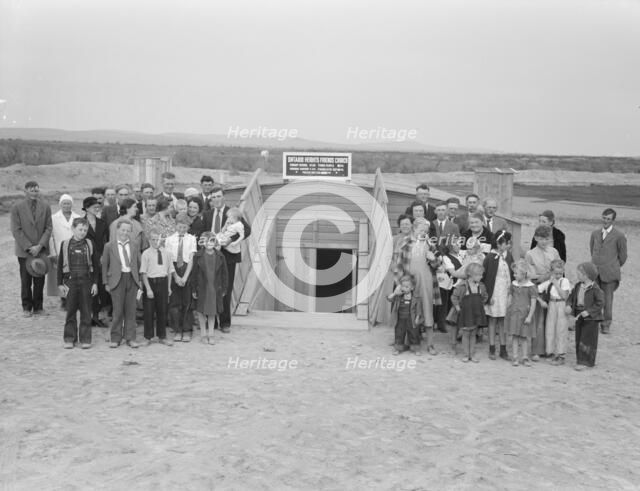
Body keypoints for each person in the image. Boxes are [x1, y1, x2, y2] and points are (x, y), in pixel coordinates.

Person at [202, 186, 251, 332]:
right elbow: (203, 232)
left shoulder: (233, 213)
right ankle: (212, 321)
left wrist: (230, 239)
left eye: (218, 196)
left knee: (226, 289)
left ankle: (224, 322)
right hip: (210, 256)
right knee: (210, 288)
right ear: (210, 199)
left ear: (223, 197)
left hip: (228, 257)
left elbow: (247, 230)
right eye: (213, 197)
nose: (216, 199)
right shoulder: (207, 214)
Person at [396, 217, 441, 355]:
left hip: (426, 281)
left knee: (427, 310)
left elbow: (438, 265)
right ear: (414, 229)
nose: (424, 233)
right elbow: (399, 266)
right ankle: (406, 343)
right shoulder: (405, 243)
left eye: (426, 231)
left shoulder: (429, 244)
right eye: (421, 230)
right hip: (409, 283)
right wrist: (399, 284)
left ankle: (430, 344)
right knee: (408, 311)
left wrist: (434, 259)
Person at [10, 181, 53, 317]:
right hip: (24, 251)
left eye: (36, 190)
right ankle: (27, 307)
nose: (34, 192)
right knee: (26, 279)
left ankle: (38, 307)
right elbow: (16, 230)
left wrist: (40, 245)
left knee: (40, 279)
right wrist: (29, 247)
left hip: (41, 249)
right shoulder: (17, 207)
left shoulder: (45, 206)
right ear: (25, 191)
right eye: (31, 190)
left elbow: (49, 227)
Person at [57, 217, 99, 349]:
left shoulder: (89, 244)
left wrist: (95, 283)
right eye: (80, 229)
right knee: (70, 310)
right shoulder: (65, 244)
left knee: (86, 311)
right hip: (70, 281)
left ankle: (85, 339)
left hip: (86, 280)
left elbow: (96, 266)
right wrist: (60, 284)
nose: (82, 232)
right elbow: (59, 266)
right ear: (73, 229)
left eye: (85, 230)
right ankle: (70, 338)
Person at [102, 219, 142, 348]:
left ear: (131, 232)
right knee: (117, 311)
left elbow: (139, 263)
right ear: (117, 230)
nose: (125, 232)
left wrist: (139, 280)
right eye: (123, 230)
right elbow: (105, 265)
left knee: (131, 310)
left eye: (128, 230)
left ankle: (130, 337)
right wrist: (105, 282)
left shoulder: (135, 244)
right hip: (116, 280)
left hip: (131, 278)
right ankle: (116, 337)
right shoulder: (109, 246)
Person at [589, 208, 627, 335]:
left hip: (610, 273)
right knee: (594, 297)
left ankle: (606, 325)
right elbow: (592, 250)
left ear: (613, 220)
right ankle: (594, 321)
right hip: (595, 271)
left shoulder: (619, 236)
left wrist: (612, 266)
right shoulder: (595, 233)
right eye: (604, 218)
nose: (605, 221)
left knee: (607, 299)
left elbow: (623, 256)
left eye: (608, 219)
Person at [525, 225, 560, 360]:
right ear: (536, 238)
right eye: (541, 239)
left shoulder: (554, 252)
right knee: (538, 319)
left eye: (546, 239)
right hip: (538, 287)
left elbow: (558, 268)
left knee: (551, 318)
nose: (544, 242)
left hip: (553, 286)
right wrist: (544, 276)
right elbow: (531, 274)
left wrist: (553, 276)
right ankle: (536, 350)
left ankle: (550, 348)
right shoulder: (530, 254)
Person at [191, 232, 228, 345]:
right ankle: (203, 334)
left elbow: (224, 274)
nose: (209, 243)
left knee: (212, 312)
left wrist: (224, 288)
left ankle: (211, 334)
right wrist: (193, 289)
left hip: (215, 288)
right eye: (206, 241)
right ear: (203, 243)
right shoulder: (198, 256)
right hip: (202, 288)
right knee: (201, 312)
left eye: (211, 240)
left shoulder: (220, 256)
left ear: (215, 242)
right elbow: (194, 273)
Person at [566, 262, 604, 370]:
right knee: (579, 337)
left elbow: (600, 303)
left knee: (588, 339)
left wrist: (589, 312)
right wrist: (569, 305)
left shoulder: (595, 288)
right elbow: (571, 297)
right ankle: (580, 360)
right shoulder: (578, 286)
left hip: (591, 318)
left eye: (579, 273)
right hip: (579, 314)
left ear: (586, 275)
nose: (577, 275)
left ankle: (586, 362)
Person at [482, 230, 514, 360]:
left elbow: (512, 273)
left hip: (505, 292)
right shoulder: (490, 257)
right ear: (499, 244)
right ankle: (491, 348)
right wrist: (487, 296)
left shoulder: (509, 256)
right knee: (493, 320)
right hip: (494, 292)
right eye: (507, 243)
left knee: (503, 321)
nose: (509, 245)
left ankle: (503, 348)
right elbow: (485, 278)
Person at [166, 213, 197, 342]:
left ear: (188, 227)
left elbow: (191, 259)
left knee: (187, 302)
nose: (182, 229)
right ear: (176, 225)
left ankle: (187, 330)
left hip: (186, 270)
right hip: (173, 270)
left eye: (184, 227)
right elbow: (169, 260)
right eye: (180, 226)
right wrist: (176, 276)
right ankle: (177, 329)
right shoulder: (169, 239)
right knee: (175, 303)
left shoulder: (191, 239)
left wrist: (184, 277)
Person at [140, 229, 174, 346]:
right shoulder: (146, 253)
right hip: (150, 282)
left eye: (157, 239)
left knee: (162, 311)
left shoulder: (167, 253)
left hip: (163, 282)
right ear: (149, 240)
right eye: (153, 239)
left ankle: (162, 336)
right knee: (149, 311)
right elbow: (143, 273)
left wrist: (169, 287)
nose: (155, 242)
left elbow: (170, 271)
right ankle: (148, 337)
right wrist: (148, 289)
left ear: (161, 240)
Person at [451, 263, 488, 363]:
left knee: (473, 334)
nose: (481, 277)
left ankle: (472, 354)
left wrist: (480, 306)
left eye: (481, 275)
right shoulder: (463, 286)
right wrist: (458, 308)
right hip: (466, 314)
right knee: (466, 334)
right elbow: (454, 297)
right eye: (479, 275)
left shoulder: (481, 286)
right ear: (471, 275)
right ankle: (466, 354)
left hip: (476, 314)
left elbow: (485, 297)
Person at [48, 194, 82, 303]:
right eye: (64, 203)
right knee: (62, 274)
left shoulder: (77, 217)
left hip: (75, 249)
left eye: (68, 203)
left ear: (72, 204)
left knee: (74, 274)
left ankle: (74, 297)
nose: (66, 206)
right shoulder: (53, 218)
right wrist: (53, 253)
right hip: (60, 249)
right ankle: (63, 298)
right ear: (60, 204)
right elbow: (50, 236)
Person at [537, 259, 571, 365]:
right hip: (551, 304)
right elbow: (535, 290)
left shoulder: (564, 281)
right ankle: (551, 352)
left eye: (560, 273)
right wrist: (541, 300)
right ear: (551, 272)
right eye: (556, 273)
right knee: (550, 328)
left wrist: (556, 284)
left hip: (561, 304)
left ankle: (561, 354)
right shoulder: (548, 283)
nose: (558, 275)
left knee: (561, 329)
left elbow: (564, 295)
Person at [83, 196, 109, 327]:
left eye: (98, 206)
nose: (97, 208)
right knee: (87, 288)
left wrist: (103, 255)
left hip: (100, 260)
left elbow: (106, 241)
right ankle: (87, 316)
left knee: (100, 287)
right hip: (86, 259)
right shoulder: (80, 223)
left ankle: (97, 315)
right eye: (94, 206)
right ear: (87, 208)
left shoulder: (102, 223)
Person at [506, 260, 538, 367]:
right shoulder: (513, 284)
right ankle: (515, 357)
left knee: (524, 337)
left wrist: (529, 316)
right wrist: (508, 305)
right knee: (514, 336)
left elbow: (533, 303)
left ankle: (525, 357)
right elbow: (510, 296)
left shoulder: (531, 287)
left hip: (525, 314)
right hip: (514, 313)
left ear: (524, 274)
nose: (514, 275)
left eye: (516, 273)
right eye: (514, 273)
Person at [388, 274, 423, 356]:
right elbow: (389, 299)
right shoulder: (398, 297)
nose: (404, 288)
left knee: (414, 334)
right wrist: (395, 293)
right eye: (403, 286)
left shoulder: (416, 297)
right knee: (399, 334)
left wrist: (417, 317)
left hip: (412, 319)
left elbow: (418, 309)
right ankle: (398, 349)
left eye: (407, 286)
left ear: (412, 287)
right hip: (400, 319)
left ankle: (415, 349)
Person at [441, 240, 465, 352]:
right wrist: (469, 274)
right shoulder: (446, 258)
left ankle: (462, 338)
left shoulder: (463, 254)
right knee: (455, 316)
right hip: (455, 288)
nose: (458, 245)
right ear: (449, 245)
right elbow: (453, 273)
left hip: (466, 289)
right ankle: (453, 342)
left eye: (459, 243)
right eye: (456, 243)